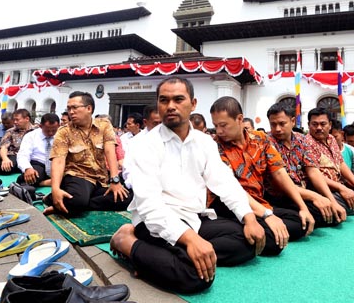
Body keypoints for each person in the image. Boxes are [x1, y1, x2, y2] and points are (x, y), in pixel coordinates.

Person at [110, 77, 265, 294]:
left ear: (193, 104)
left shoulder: (205, 143)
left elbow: (224, 182)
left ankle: (161, 259)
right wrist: (190, 239)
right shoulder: (143, 146)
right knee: (195, 277)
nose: (170, 106)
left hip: (195, 218)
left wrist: (249, 218)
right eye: (164, 100)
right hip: (154, 221)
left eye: (178, 99)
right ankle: (126, 242)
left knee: (250, 240)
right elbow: (150, 206)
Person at [210, 96, 315, 256]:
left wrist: (303, 207)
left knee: (301, 221)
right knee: (273, 239)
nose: (218, 131)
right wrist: (267, 216)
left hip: (261, 201)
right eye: (215, 126)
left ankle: (259, 231)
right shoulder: (215, 146)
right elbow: (232, 189)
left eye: (223, 125)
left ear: (239, 119)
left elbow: (279, 172)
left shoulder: (260, 139)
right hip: (232, 206)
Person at [43, 91, 132, 216]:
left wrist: (115, 180)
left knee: (127, 198)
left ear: (89, 108)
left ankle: (67, 203)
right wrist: (55, 188)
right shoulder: (64, 132)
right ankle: (64, 198)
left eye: (74, 107)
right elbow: (58, 161)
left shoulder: (104, 125)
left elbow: (109, 151)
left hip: (100, 179)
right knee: (79, 200)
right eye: (69, 108)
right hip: (77, 176)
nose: (71, 112)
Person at [266, 102, 346, 226]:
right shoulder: (266, 142)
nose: (277, 129)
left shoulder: (302, 139)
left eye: (282, 124)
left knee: (333, 209)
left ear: (293, 121)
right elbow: (281, 182)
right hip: (282, 195)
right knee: (319, 216)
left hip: (304, 192)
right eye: (273, 124)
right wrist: (314, 197)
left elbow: (313, 171)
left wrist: (331, 200)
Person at [305, 108, 354, 214]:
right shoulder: (306, 143)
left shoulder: (332, 139)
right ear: (308, 125)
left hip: (339, 187)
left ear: (329, 124)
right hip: (322, 191)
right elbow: (315, 176)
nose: (319, 128)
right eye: (314, 124)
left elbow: (341, 164)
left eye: (323, 124)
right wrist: (342, 188)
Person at [16, 113, 60, 187]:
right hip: (39, 164)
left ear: (59, 126)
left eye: (54, 130)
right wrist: (28, 168)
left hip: (57, 164)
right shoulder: (31, 136)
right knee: (31, 177)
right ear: (40, 126)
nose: (51, 133)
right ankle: (50, 182)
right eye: (47, 130)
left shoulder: (63, 136)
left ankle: (44, 183)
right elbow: (23, 155)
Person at [0, 109, 35, 175]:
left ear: (27, 119)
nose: (15, 122)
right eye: (14, 120)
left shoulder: (37, 131)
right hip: (15, 155)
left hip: (33, 156)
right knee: (5, 169)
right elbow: (4, 147)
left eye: (17, 120)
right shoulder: (10, 131)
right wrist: (5, 159)